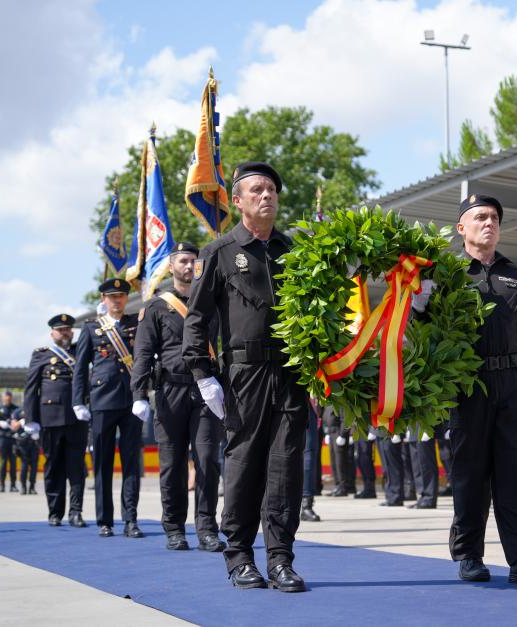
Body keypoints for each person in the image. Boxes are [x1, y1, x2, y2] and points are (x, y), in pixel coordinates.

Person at [183, 162, 310, 592]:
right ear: (237, 200)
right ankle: (238, 556)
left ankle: (280, 558)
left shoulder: (295, 252)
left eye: (272, 189)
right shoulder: (218, 253)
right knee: (243, 465)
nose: (266, 196)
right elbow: (196, 320)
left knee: (286, 467)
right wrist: (203, 374)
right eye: (256, 190)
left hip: (290, 373)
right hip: (243, 375)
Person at [446, 194, 517, 585]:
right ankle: (469, 555)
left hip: (512, 385)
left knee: (511, 475)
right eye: (480, 217)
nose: (488, 223)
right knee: (469, 475)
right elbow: (427, 329)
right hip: (467, 387)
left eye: (493, 218)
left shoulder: (516, 276)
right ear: (462, 228)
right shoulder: (448, 273)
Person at [130, 242, 226, 552]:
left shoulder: (212, 302)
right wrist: (139, 393)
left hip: (205, 391)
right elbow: (143, 353)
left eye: (193, 262)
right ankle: (173, 527)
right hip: (170, 392)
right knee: (172, 465)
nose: (188, 266)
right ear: (172, 267)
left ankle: (207, 528)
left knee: (209, 460)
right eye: (183, 261)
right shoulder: (156, 307)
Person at [72, 279, 144, 538]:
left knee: (131, 464)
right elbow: (80, 368)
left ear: (126, 299)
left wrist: (144, 393)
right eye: (112, 296)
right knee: (102, 463)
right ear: (103, 299)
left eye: (121, 296)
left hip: (133, 402)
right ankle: (105, 520)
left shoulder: (137, 323)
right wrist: (78, 400)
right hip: (102, 402)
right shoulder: (91, 329)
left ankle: (131, 519)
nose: (117, 300)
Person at [0, 390, 20, 492]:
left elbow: (20, 422)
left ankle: (13, 485)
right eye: (6, 398)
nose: (7, 400)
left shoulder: (16, 409)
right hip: (3, 438)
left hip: (13, 438)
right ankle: (2, 485)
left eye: (9, 398)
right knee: (3, 462)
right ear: (3, 398)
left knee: (13, 462)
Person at [407, 426, 438, 509]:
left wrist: (428, 428)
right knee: (417, 466)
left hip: (424, 427)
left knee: (426, 465)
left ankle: (429, 497)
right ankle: (423, 496)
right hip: (414, 429)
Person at [12, 409, 40, 495]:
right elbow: (13, 427)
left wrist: (38, 430)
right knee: (24, 465)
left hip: (34, 442)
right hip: (22, 442)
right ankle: (23, 487)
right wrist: (21, 422)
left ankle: (32, 487)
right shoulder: (17, 412)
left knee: (34, 466)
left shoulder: (36, 410)